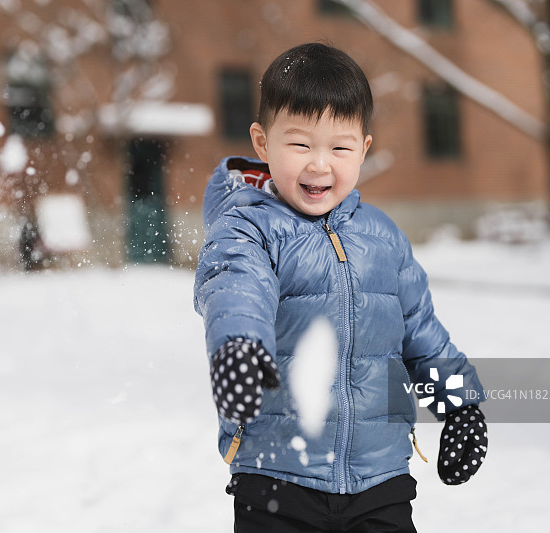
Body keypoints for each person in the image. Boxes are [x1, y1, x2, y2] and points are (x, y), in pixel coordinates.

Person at [193, 42, 487, 532]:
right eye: (301, 144)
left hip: (381, 480)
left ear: (364, 148)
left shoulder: (383, 237)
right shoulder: (248, 228)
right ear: (263, 144)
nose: (319, 165)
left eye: (340, 147)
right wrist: (238, 349)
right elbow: (237, 292)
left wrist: (461, 405)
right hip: (278, 480)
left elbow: (424, 335)